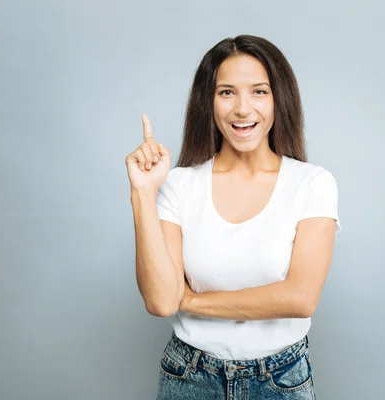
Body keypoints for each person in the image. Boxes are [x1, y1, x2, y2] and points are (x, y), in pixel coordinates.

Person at [125, 35, 340, 399]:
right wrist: (143, 193)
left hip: (280, 380)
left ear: (278, 99)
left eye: (259, 91)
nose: (243, 109)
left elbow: (300, 297)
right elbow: (161, 301)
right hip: (189, 377)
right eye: (226, 92)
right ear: (208, 102)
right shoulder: (180, 184)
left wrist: (190, 301)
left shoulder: (312, 183)